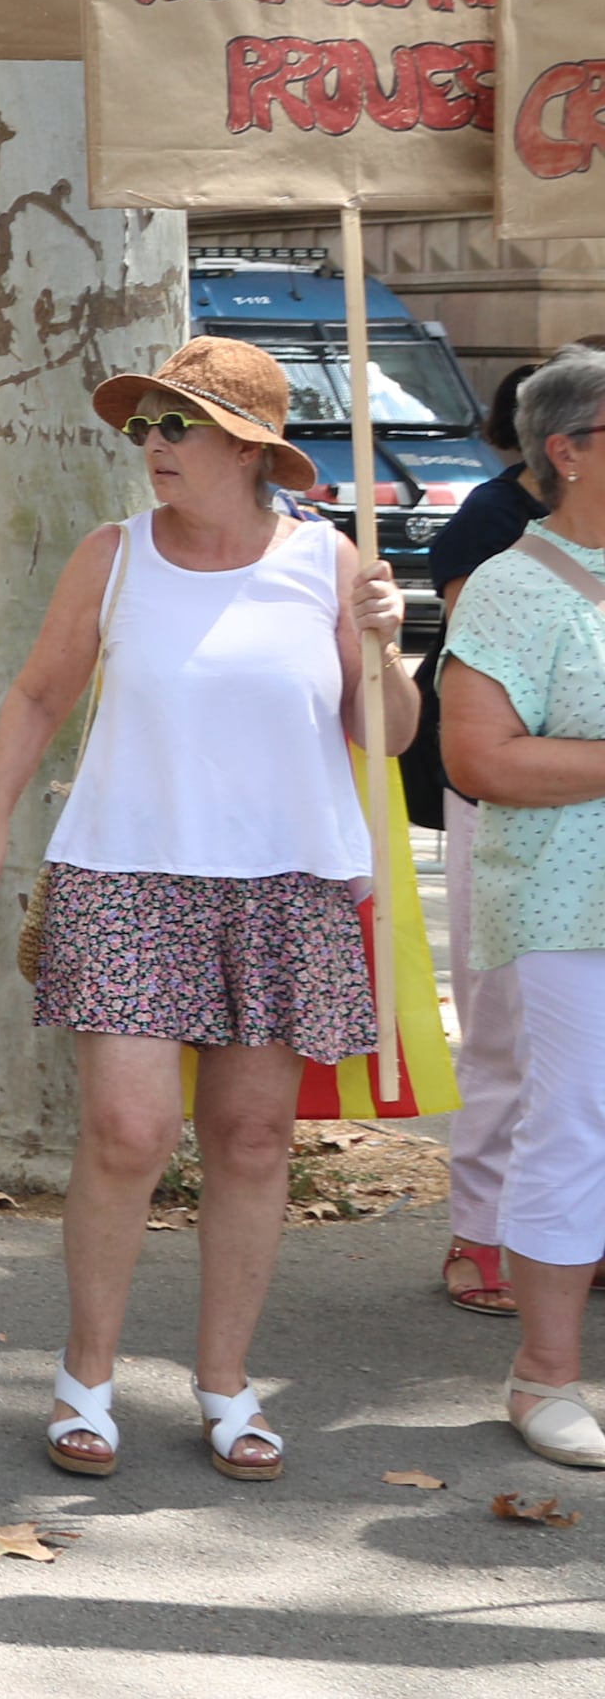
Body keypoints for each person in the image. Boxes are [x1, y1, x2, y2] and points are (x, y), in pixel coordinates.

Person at [0, 336, 416, 1483]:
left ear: (248, 446)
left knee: (254, 1141)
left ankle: (225, 1380)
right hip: (129, 870)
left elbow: (389, 736)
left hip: (286, 879)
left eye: (177, 424)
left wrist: (391, 649)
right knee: (128, 1130)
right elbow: (38, 691)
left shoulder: (328, 563)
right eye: (144, 424)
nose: (152, 444)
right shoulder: (114, 556)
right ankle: (87, 1376)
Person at [435, 346, 605, 1466]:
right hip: (565, 904)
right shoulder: (510, 583)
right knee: (576, 1124)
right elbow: (481, 759)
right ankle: (545, 1375)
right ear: (571, 449)